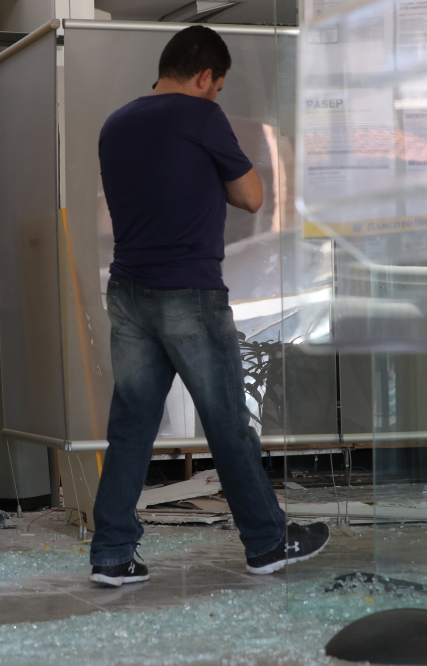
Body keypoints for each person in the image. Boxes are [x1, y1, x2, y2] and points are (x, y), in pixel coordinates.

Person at [88, 25, 330, 587]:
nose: (216, 97)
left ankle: (112, 555)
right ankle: (269, 544)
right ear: (204, 76)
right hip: (188, 293)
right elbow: (252, 196)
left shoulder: (116, 124)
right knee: (227, 422)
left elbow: (154, 185)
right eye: (217, 87)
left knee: (130, 425)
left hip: (127, 292)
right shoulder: (200, 118)